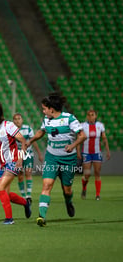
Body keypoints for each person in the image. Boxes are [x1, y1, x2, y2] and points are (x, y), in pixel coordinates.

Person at [27, 93, 86, 227]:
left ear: (51, 109)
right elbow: (41, 132)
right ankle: (42, 216)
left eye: (44, 109)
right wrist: (30, 141)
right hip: (51, 157)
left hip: (68, 160)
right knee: (47, 185)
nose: (43, 111)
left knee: (67, 190)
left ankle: (68, 201)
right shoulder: (46, 120)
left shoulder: (69, 118)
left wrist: (72, 146)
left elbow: (82, 136)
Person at [77, 110, 110, 200]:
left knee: (97, 172)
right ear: (87, 117)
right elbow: (79, 139)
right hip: (86, 152)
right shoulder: (83, 126)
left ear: (95, 116)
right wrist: (78, 151)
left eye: (92, 115)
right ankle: (84, 188)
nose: (91, 117)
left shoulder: (100, 125)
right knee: (87, 174)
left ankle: (98, 195)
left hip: (97, 152)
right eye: (89, 115)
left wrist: (107, 151)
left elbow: (104, 138)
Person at [12, 113, 44, 204]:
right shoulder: (11, 130)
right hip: (17, 155)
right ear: (13, 121)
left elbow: (33, 141)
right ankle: (23, 196)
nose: (17, 120)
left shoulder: (28, 128)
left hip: (28, 154)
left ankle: (28, 195)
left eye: (19, 118)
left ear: (22, 120)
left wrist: (39, 153)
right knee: (20, 175)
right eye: (15, 119)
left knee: (28, 172)